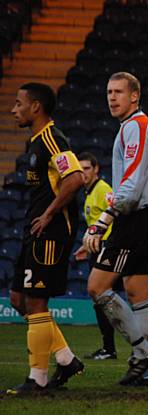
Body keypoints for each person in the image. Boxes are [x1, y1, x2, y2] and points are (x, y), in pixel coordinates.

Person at [85, 72, 148, 386]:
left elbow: (130, 185)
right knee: (137, 292)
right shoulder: (131, 127)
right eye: (108, 92)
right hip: (145, 218)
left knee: (96, 287)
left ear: (135, 96)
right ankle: (147, 372)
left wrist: (103, 221)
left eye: (118, 92)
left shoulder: (137, 126)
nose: (112, 97)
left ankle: (144, 353)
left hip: (134, 219)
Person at [7, 82, 85, 393]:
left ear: (35, 107)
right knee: (19, 299)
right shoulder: (37, 141)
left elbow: (76, 178)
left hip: (50, 231)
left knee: (36, 301)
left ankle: (36, 378)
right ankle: (66, 359)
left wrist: (50, 213)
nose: (14, 110)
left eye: (18, 103)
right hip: (34, 228)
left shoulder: (53, 139)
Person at [74, 152, 122, 360]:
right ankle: (108, 348)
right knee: (99, 298)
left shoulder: (103, 189)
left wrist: (106, 243)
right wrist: (87, 245)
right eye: (80, 168)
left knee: (101, 296)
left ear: (96, 170)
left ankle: (111, 348)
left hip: (108, 247)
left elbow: (117, 211)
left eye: (87, 168)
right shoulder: (88, 192)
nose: (83, 173)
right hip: (98, 247)